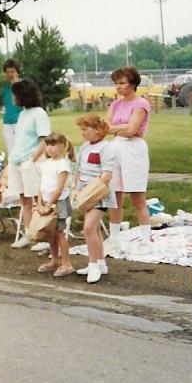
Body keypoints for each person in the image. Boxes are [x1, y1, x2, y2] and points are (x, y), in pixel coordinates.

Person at [106, 66, 151, 243]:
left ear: (132, 84)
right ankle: (114, 236)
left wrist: (117, 129)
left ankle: (145, 237)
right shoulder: (116, 104)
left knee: (137, 195)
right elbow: (105, 127)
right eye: (116, 83)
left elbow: (133, 130)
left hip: (134, 150)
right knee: (114, 194)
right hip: (116, 147)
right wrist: (122, 128)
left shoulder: (141, 104)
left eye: (122, 83)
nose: (118, 87)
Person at [7, 79, 50, 248]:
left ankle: (43, 235)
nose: (13, 98)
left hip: (31, 162)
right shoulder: (23, 113)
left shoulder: (39, 113)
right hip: (17, 161)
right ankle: (29, 233)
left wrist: (31, 160)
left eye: (15, 95)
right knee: (24, 200)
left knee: (39, 199)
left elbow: (44, 139)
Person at [73, 114, 116, 284]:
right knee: (95, 229)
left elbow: (107, 173)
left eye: (85, 129)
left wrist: (91, 191)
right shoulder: (84, 148)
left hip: (98, 194)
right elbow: (79, 170)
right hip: (84, 192)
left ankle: (93, 265)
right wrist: (77, 189)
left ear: (97, 130)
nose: (82, 133)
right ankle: (99, 262)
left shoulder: (107, 148)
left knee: (89, 227)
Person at [34, 133, 74, 277]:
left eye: (54, 145)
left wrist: (49, 204)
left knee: (59, 233)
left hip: (58, 202)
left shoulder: (63, 165)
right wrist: (39, 203)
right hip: (45, 201)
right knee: (50, 234)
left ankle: (66, 263)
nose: (50, 148)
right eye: (48, 145)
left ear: (62, 146)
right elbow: (41, 185)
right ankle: (54, 260)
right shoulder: (45, 164)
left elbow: (59, 187)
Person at [1, 59, 23, 155]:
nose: (10, 74)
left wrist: (16, 87)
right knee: (11, 151)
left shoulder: (24, 86)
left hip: (19, 121)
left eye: (12, 71)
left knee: (20, 149)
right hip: (7, 122)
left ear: (18, 72)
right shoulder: (6, 88)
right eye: (7, 72)